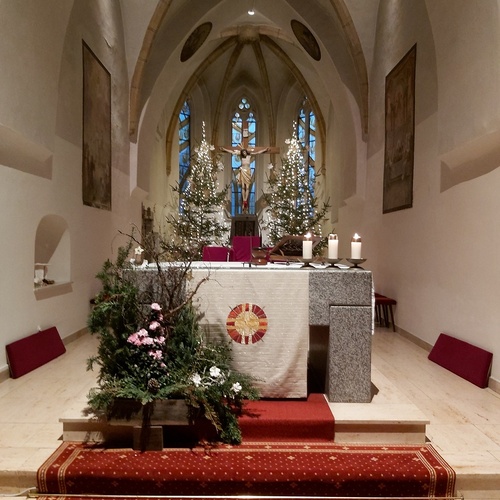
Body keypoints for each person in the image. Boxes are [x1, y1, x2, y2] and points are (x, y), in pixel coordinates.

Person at [220, 146, 269, 211]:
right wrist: (224, 149)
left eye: (245, 152)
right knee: (243, 187)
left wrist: (265, 149)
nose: (244, 153)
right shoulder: (241, 156)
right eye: (243, 152)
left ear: (246, 152)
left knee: (247, 187)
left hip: (248, 171)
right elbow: (232, 152)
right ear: (242, 153)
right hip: (242, 171)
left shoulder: (249, 156)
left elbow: (257, 152)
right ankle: (244, 200)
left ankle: (245, 199)